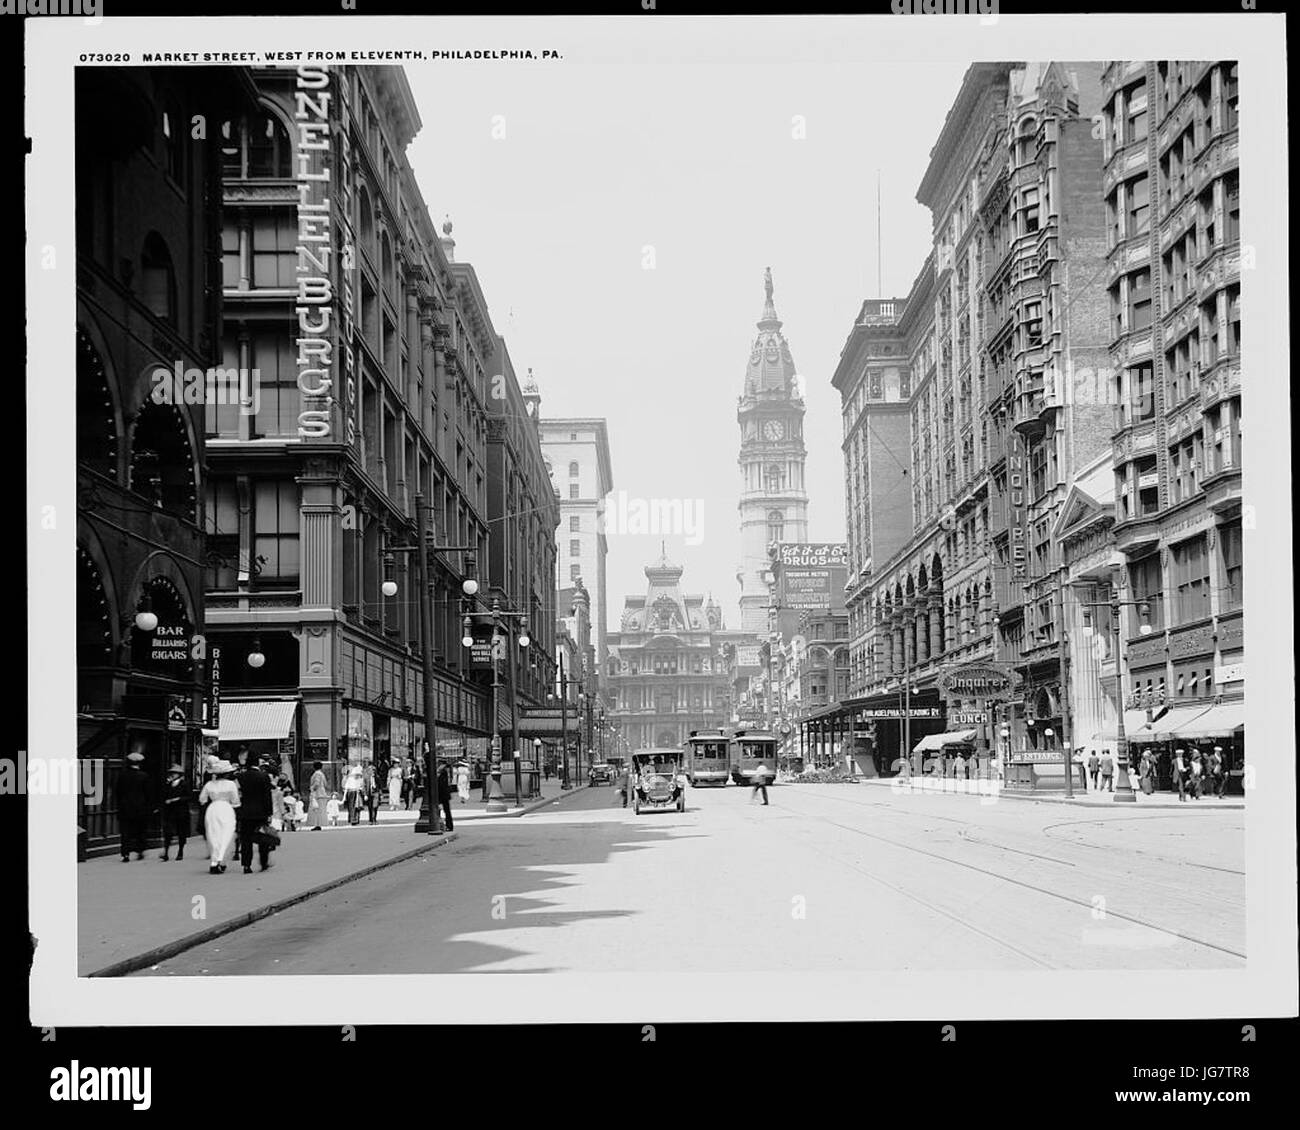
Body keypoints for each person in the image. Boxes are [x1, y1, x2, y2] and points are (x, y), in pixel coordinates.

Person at [198, 760, 240, 874]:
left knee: (212, 835)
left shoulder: (209, 784)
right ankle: (221, 860)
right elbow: (236, 801)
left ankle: (214, 862)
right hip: (226, 808)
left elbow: (202, 799)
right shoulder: (231, 784)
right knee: (226, 834)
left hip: (213, 809)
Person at [236, 758, 274, 873]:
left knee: (246, 839)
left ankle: (246, 865)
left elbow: (238, 795)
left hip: (245, 813)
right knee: (262, 838)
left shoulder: (240, 777)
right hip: (261, 812)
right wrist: (269, 813)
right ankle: (263, 862)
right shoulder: (264, 776)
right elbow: (267, 796)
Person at [115, 751, 155, 862]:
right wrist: (150, 807)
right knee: (140, 830)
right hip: (140, 809)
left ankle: (125, 853)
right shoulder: (144, 776)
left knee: (125, 832)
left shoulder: (122, 775)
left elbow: (118, 792)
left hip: (125, 808)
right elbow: (148, 793)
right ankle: (140, 851)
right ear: (139, 763)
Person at [160, 763, 191, 862]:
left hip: (181, 812)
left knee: (181, 832)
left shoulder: (184, 784)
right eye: (172, 773)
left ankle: (180, 851)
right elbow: (164, 795)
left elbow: (188, 797)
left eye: (175, 773)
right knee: (168, 832)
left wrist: (176, 799)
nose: (172, 775)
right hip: (170, 812)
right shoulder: (168, 784)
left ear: (179, 774)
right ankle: (166, 852)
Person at [308, 760, 328, 831]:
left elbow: (317, 783)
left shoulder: (316, 774)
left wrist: (312, 788)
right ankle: (318, 824)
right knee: (320, 810)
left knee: (316, 810)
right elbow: (325, 784)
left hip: (317, 794)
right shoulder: (322, 774)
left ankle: (317, 824)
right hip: (322, 793)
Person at [435, 760, 454, 831]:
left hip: (442, 794)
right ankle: (447, 825)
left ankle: (446, 825)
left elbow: (441, 784)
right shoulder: (445, 771)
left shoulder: (443, 771)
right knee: (446, 810)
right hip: (445, 794)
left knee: (446, 810)